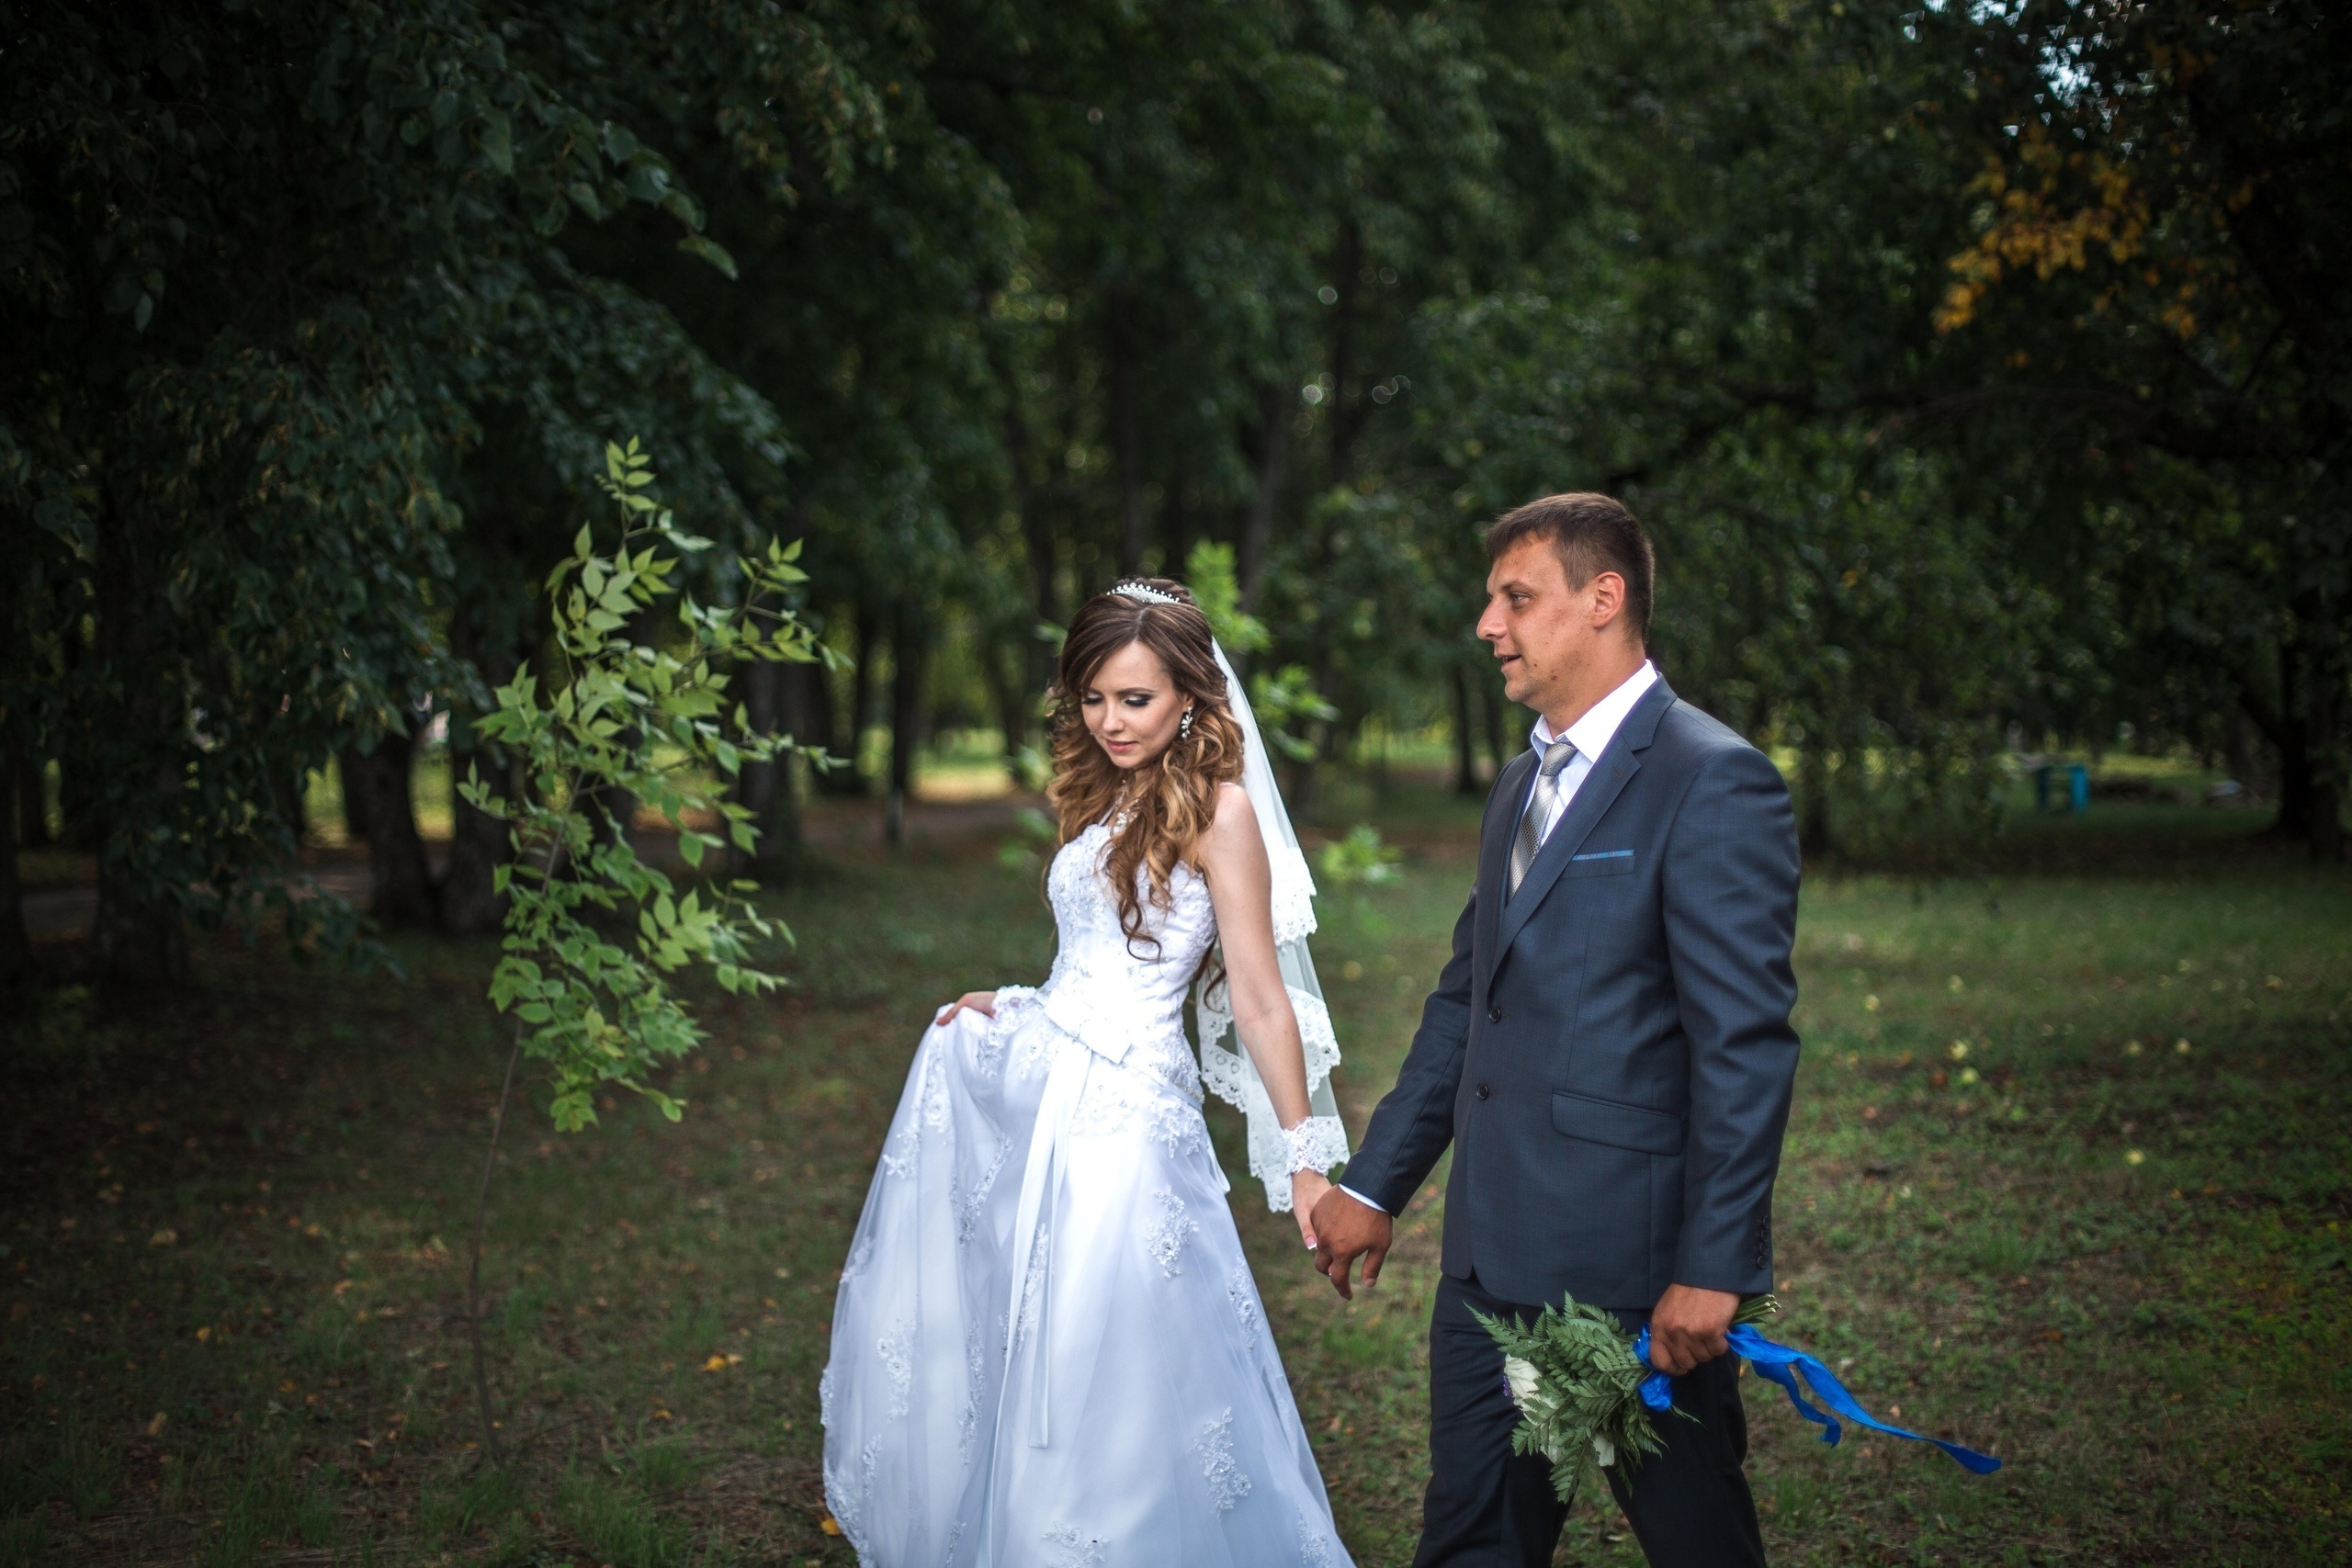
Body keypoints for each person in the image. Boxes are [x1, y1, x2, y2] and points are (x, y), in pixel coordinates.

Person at [821, 578, 1355, 1566]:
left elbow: (1259, 997)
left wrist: (1304, 1158)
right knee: (1029, 1343)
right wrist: (1011, 1006)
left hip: (1128, 1121)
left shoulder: (1222, 811)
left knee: (1100, 1356)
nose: (1110, 721)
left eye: (1136, 699)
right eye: (1094, 698)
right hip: (1048, 1094)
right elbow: (1091, 964)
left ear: (1190, 696)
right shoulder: (1107, 795)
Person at [1311, 493, 1801, 1568]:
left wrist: (1715, 1267)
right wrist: (1375, 1185)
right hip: (1487, 1267)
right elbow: (1467, 1002)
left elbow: (1743, 1049)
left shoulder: (1710, 779)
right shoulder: (1519, 783)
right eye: (1492, 600)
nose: (1487, 624)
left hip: (1630, 1277)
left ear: (1602, 599)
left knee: (1696, 1545)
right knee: (1470, 1542)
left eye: (1516, 598)